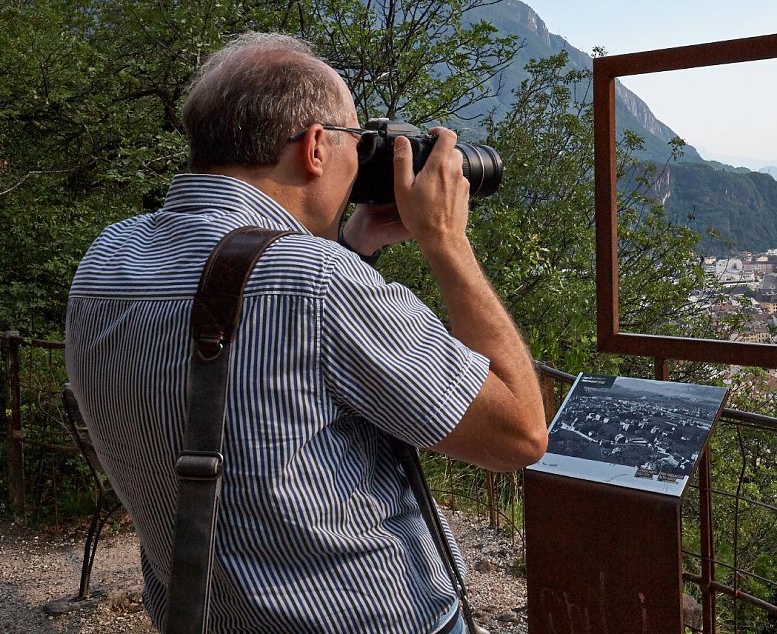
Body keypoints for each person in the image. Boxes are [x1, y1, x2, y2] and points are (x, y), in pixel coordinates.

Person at [65, 32, 547, 633]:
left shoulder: (106, 260)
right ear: (316, 146)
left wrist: (355, 242)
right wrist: (447, 242)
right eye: (357, 141)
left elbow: (246, 324)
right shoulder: (316, 282)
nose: (360, 160)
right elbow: (518, 436)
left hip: (205, 616)